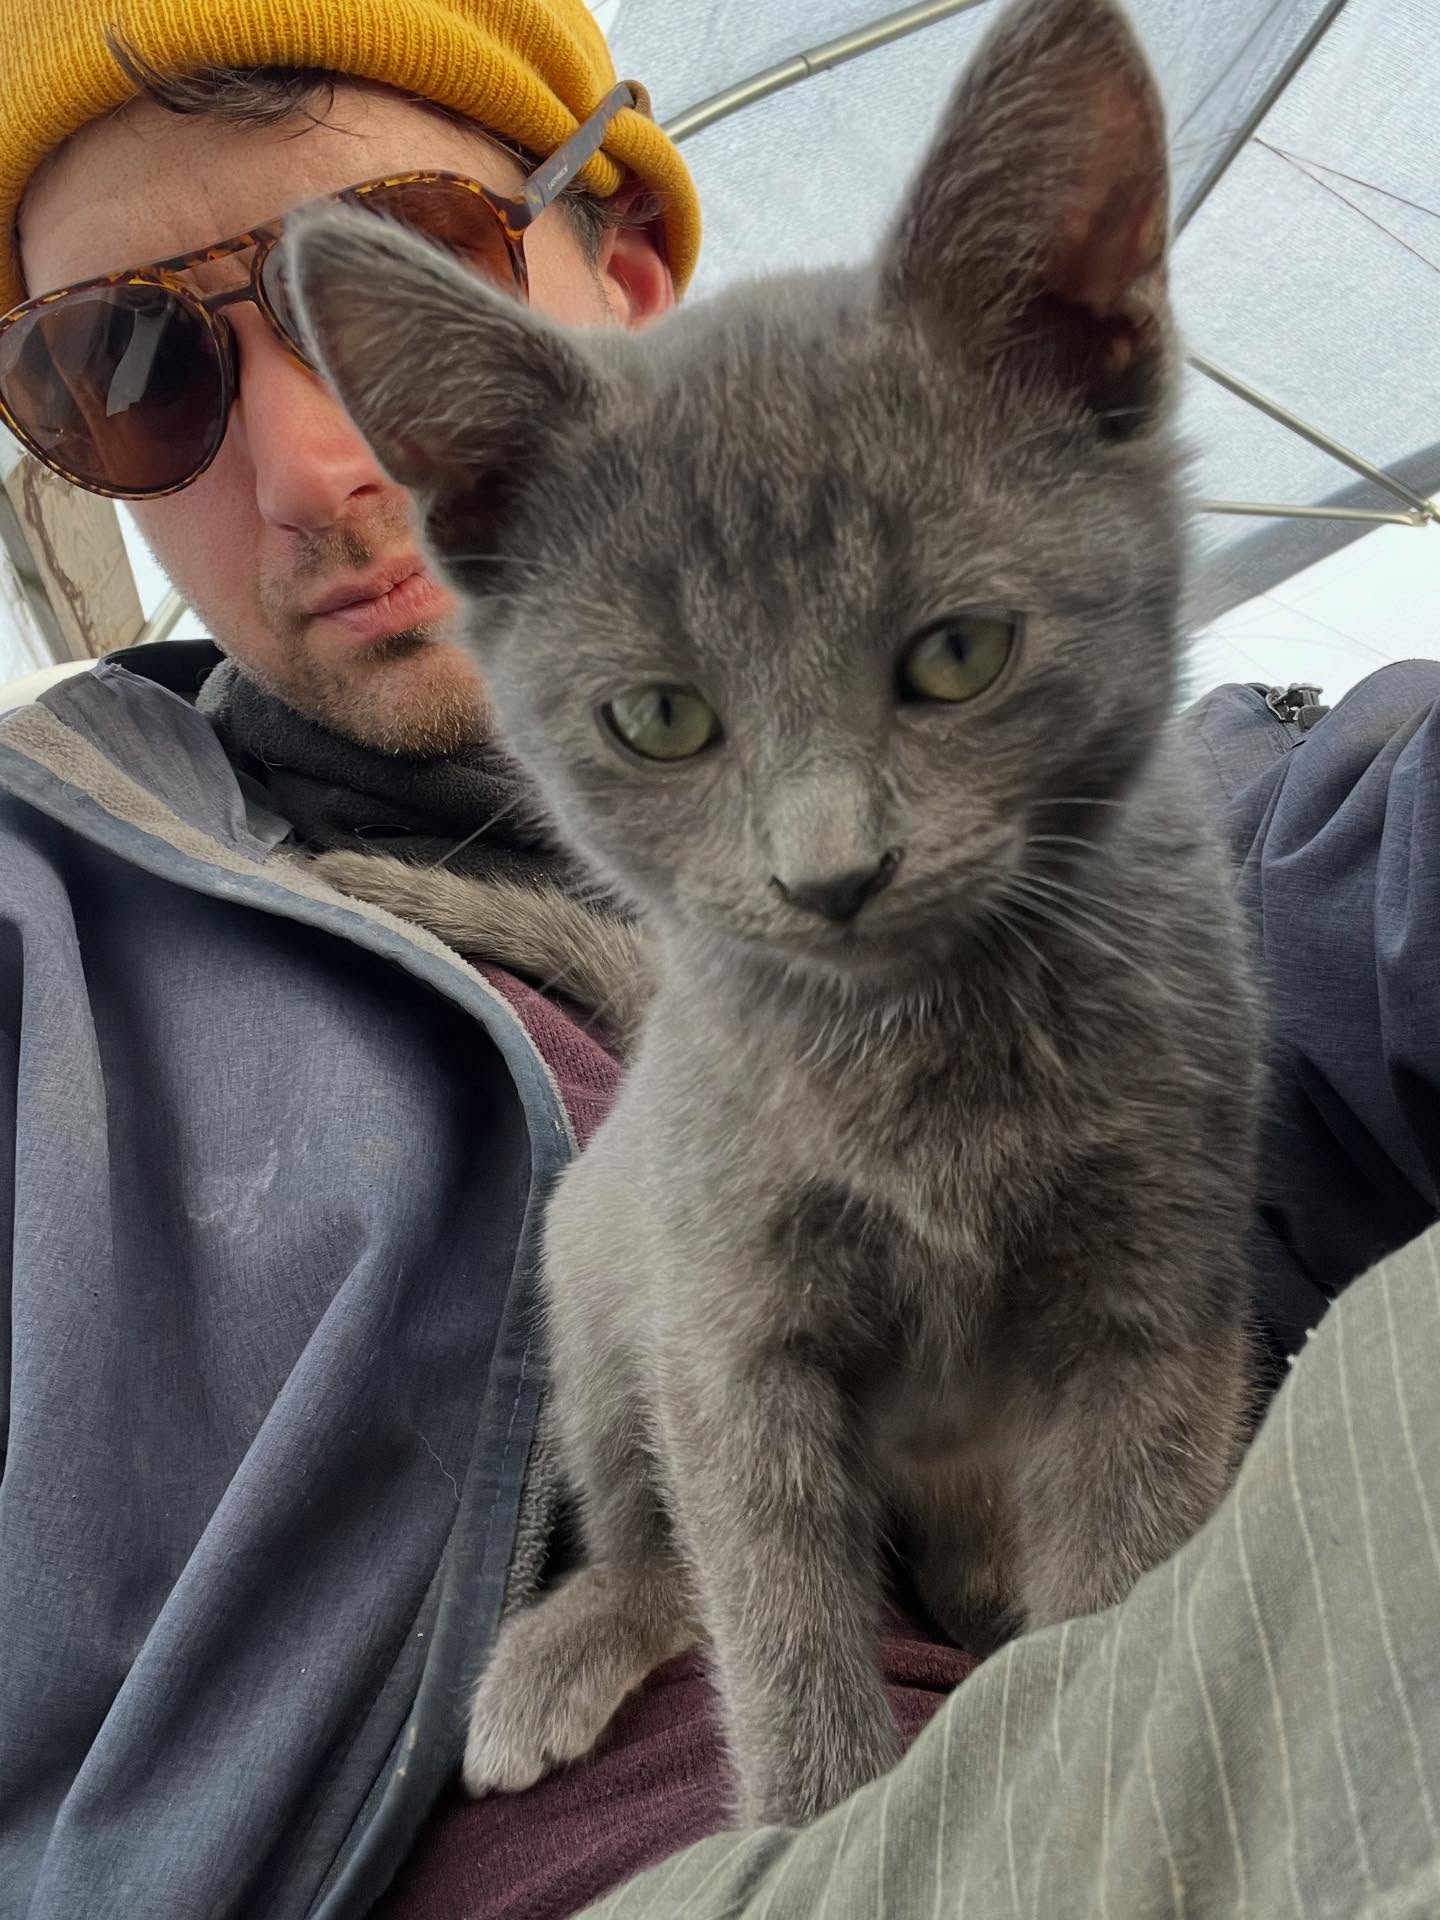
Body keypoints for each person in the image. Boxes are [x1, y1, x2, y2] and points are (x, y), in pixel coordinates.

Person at [1, 2, 1437, 1917]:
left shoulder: (1100, 757)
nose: (322, 459)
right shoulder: (60, 921)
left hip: (1138, 1727)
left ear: (631, 259)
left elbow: (1351, 851)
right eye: (130, 370)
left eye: (415, 261)